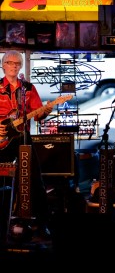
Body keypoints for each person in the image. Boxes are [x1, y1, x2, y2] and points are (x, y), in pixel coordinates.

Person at [0, 50, 53, 241]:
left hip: (21, 140)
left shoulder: (28, 88)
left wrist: (46, 110)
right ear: (3, 65)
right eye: (11, 62)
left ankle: (42, 223)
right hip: (1, 142)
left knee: (34, 178)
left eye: (18, 63)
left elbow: (37, 115)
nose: (14, 66)